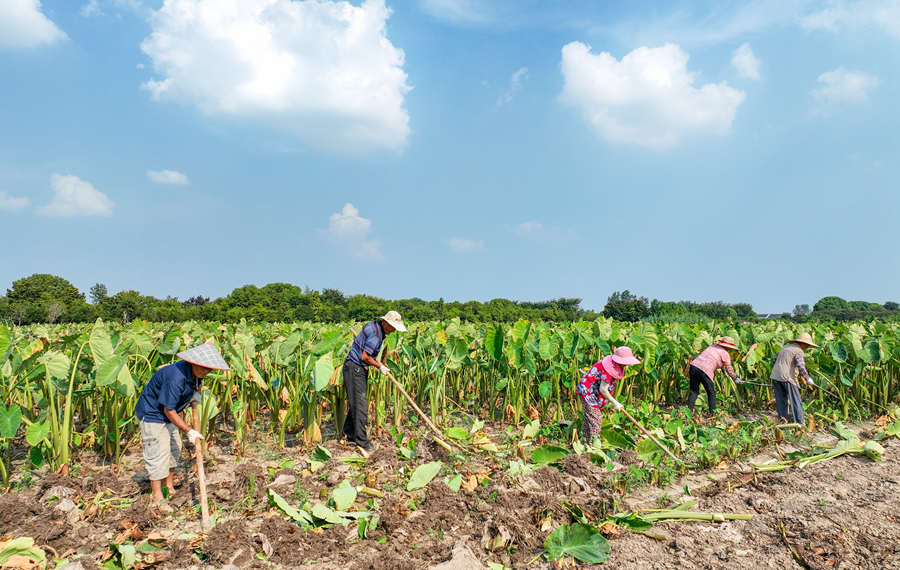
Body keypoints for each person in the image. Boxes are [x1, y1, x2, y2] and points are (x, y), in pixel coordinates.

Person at [135, 342, 229, 506]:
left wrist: (195, 395)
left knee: (174, 449)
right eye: (202, 368)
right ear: (193, 362)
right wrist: (189, 431)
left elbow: (198, 382)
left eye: (209, 369)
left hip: (169, 416)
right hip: (153, 415)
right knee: (158, 454)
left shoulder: (196, 373)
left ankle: (169, 487)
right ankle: (157, 496)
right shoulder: (175, 378)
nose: (205, 371)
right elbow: (169, 410)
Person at [342, 311, 407, 452]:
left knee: (355, 404)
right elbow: (365, 356)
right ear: (386, 323)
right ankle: (362, 442)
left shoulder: (373, 325)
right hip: (355, 368)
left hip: (354, 367)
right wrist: (380, 366)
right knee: (361, 406)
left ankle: (348, 435)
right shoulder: (377, 335)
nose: (394, 330)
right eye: (393, 326)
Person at [575, 346, 641, 444]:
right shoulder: (608, 368)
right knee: (595, 421)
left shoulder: (613, 362)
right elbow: (603, 390)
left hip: (592, 392)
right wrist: (615, 402)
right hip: (588, 393)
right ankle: (594, 446)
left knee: (590, 421)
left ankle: (586, 445)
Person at [770, 332, 819, 425]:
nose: (807, 347)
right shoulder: (798, 350)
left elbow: (775, 360)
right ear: (803, 343)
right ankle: (800, 423)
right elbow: (801, 366)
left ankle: (783, 421)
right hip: (788, 377)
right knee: (795, 400)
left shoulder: (785, 347)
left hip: (775, 376)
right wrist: (807, 378)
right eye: (807, 345)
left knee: (781, 399)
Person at [688, 336, 742, 416]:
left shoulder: (711, 347)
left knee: (694, 391)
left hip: (693, 366)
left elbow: (720, 365)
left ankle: (689, 412)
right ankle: (713, 414)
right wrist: (735, 378)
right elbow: (729, 368)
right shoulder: (725, 353)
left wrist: (728, 373)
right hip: (705, 370)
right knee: (711, 393)